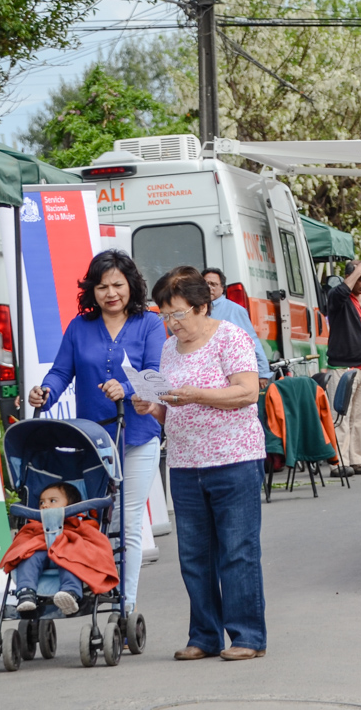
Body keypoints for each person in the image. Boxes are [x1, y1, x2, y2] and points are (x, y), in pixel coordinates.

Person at [133, 267, 267, 661]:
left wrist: (197, 394)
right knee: (193, 553)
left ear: (202, 306)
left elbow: (246, 392)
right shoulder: (168, 350)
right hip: (186, 461)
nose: (171, 324)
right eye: (165, 315)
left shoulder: (230, 336)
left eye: (178, 314)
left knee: (237, 550)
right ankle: (204, 635)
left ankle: (247, 636)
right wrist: (152, 406)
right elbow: (170, 411)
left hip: (234, 457)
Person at [28, 251, 164, 613]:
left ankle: (125, 607)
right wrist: (45, 391)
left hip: (137, 435)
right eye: (102, 286)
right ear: (92, 289)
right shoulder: (79, 327)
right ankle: (85, 591)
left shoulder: (149, 324)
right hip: (93, 441)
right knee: (94, 519)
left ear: (131, 286)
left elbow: (154, 376)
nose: (110, 293)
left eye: (118, 285)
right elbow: (60, 372)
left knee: (128, 522)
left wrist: (127, 387)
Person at [0, 482, 118, 617]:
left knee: (72, 556)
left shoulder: (81, 523)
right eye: (41, 502)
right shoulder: (36, 526)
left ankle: (70, 593)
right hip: (41, 550)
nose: (45, 505)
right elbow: (23, 542)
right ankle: (26, 592)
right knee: (27, 556)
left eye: (52, 501)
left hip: (67, 555)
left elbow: (91, 541)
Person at [324, 259, 361, 478]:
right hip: (343, 367)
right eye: (360, 278)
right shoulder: (340, 298)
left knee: (360, 416)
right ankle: (339, 462)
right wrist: (356, 271)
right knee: (341, 416)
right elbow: (337, 294)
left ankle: (356, 459)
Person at [202, 268, 272, 387]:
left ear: (222, 288)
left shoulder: (234, 310)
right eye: (205, 284)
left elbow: (251, 341)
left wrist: (262, 372)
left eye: (213, 284)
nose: (209, 287)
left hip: (229, 373)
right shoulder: (194, 309)